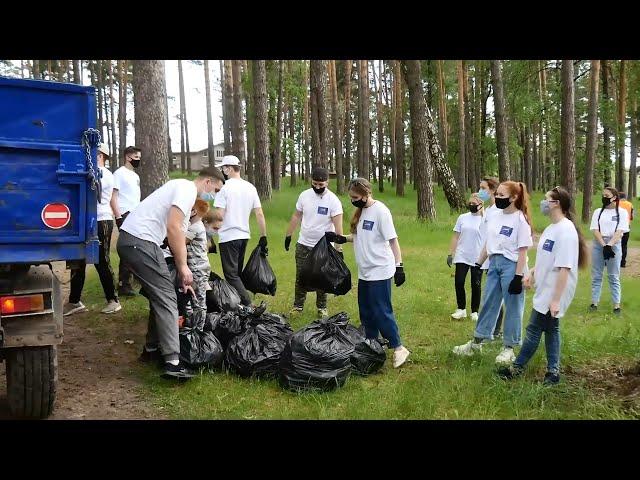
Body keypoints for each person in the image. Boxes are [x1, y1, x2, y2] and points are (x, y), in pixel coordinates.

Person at [117, 166, 224, 380]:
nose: (214, 195)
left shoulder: (180, 188)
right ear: (208, 182)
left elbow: (174, 234)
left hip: (135, 241)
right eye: (217, 190)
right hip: (141, 242)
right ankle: (173, 363)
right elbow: (174, 228)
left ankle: (151, 350)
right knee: (168, 299)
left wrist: (180, 272)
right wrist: (184, 268)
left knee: (162, 295)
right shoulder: (186, 190)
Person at [498, 186, 588, 385]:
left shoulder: (566, 231)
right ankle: (552, 372)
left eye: (547, 199)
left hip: (556, 290)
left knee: (533, 329)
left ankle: (517, 368)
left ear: (557, 204)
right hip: (546, 288)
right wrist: (531, 273)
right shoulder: (550, 228)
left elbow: (565, 268)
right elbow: (545, 259)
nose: (543, 203)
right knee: (551, 329)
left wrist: (556, 300)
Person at [326, 178, 411, 369]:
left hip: (380, 270)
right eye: (351, 198)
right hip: (365, 271)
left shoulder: (381, 211)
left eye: (355, 197)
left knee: (381, 310)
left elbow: (393, 241)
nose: (353, 200)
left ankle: (398, 347)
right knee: (366, 310)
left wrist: (399, 266)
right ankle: (371, 344)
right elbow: (359, 238)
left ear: (366, 194)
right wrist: (340, 238)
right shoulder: (362, 212)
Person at [453, 181, 533, 365]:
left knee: (513, 306)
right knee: (488, 303)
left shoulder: (521, 220)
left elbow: (522, 252)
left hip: (513, 266)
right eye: (496, 194)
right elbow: (490, 243)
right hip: (494, 263)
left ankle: (509, 348)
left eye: (502, 196)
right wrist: (478, 263)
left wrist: (518, 276)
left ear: (514, 198)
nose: (497, 198)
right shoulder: (495, 215)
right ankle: (477, 342)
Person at [63, 143, 121, 316]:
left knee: (101, 260)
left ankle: (113, 300)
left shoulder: (105, 175)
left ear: (100, 155)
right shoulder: (94, 172)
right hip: (86, 220)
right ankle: (74, 301)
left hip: (101, 220)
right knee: (78, 260)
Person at [285, 166, 344, 318]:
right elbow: (296, 216)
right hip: (303, 243)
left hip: (323, 246)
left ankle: (322, 308)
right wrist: (288, 235)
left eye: (321, 185)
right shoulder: (304, 196)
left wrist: (339, 249)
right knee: (301, 276)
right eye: (315, 184)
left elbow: (338, 227)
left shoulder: (333, 201)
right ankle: (298, 307)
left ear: (327, 183)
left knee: (322, 277)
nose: (317, 187)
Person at [214, 155, 267, 306]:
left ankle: (248, 305)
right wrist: (263, 237)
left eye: (223, 168)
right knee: (236, 273)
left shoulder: (224, 189)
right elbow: (259, 213)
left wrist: (208, 232)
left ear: (229, 168)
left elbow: (219, 215)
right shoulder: (250, 187)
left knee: (231, 275)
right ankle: (238, 305)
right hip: (244, 236)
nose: (223, 171)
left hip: (229, 236)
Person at [589, 187, 630, 314]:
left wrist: (610, 245)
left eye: (606, 195)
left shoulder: (622, 212)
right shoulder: (597, 212)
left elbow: (620, 231)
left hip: (615, 244)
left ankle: (616, 305)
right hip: (598, 244)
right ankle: (594, 303)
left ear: (614, 197)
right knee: (597, 275)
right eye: (603, 195)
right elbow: (595, 229)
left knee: (613, 275)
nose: (604, 197)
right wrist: (603, 245)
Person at [111, 146, 142, 297]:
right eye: (136, 157)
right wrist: (118, 216)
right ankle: (124, 284)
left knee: (135, 248)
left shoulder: (135, 176)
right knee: (127, 249)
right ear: (128, 157)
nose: (138, 160)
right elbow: (114, 196)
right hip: (125, 214)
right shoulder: (119, 174)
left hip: (135, 215)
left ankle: (130, 281)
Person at [447, 195, 484, 321]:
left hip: (478, 257)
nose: (471, 205)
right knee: (459, 282)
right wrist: (450, 254)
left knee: (476, 284)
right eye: (470, 202)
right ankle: (461, 309)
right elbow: (455, 236)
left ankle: (475, 311)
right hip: (462, 255)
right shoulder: (462, 218)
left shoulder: (485, 220)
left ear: (481, 204)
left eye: (474, 203)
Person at [476, 177, 504, 336]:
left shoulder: (498, 211)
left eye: (483, 188)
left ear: (493, 190)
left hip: (495, 258)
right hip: (486, 258)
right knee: (492, 295)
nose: (480, 191)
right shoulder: (489, 210)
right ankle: (493, 329)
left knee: (495, 296)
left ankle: (496, 330)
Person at [184, 199, 211, 315]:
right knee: (193, 297)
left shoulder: (195, 228)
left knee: (199, 301)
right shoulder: (195, 226)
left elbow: (181, 242)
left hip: (198, 269)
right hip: (198, 268)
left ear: (194, 211)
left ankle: (199, 329)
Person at [618, 192, 634, 268]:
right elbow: (631, 217)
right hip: (626, 226)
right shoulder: (630, 204)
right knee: (624, 245)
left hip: (616, 226)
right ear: (625, 197)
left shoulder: (616, 203)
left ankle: (612, 261)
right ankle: (623, 263)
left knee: (614, 244)